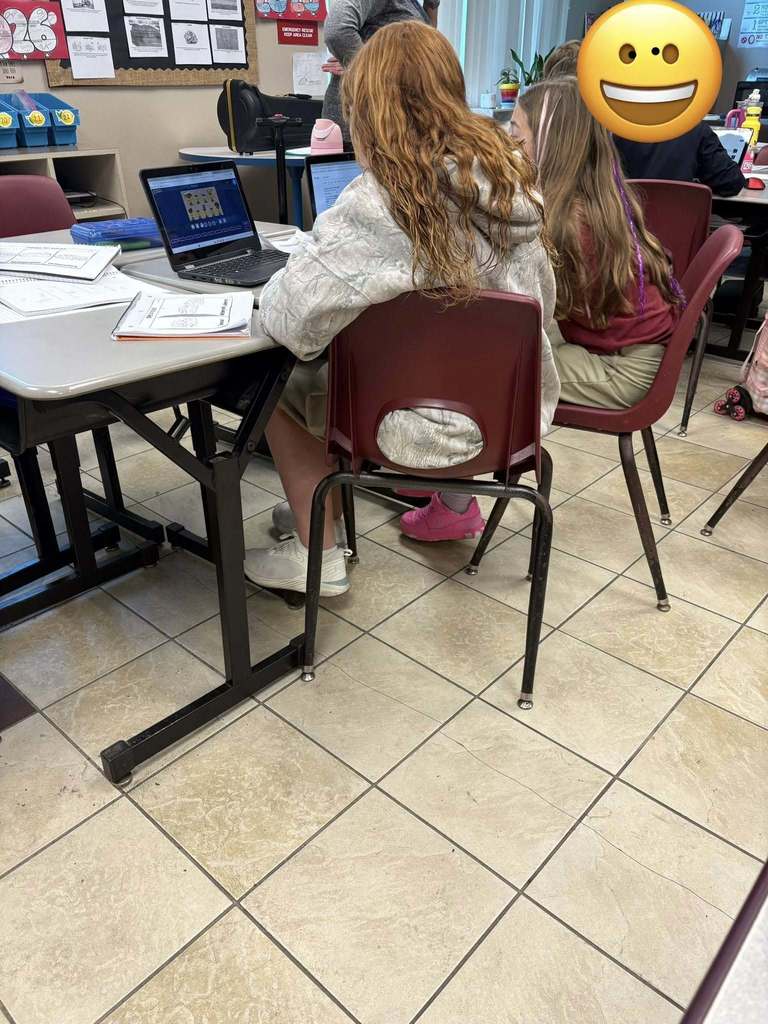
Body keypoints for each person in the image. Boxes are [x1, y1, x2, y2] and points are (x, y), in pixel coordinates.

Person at [245, 20, 560, 595]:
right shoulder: (515, 185)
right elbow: (544, 307)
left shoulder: (380, 201)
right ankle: (332, 512)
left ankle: (320, 552)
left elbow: (290, 319)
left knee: (282, 379)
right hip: (512, 425)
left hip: (406, 428)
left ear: (369, 108)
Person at [409, 75, 683, 542]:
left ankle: (454, 502)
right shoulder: (593, 195)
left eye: (518, 135)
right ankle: (447, 479)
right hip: (616, 345)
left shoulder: (564, 221)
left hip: (624, 370)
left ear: (551, 142)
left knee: (481, 371)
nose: (510, 144)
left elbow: (512, 301)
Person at [322, 0, 440, 139]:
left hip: (390, 116)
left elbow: (423, 45)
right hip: (367, 118)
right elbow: (337, 30)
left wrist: (431, 5)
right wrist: (364, 65)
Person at [614, 123, 747, 197]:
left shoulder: (613, 130)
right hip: (681, 235)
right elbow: (731, 183)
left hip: (623, 234)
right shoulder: (696, 129)